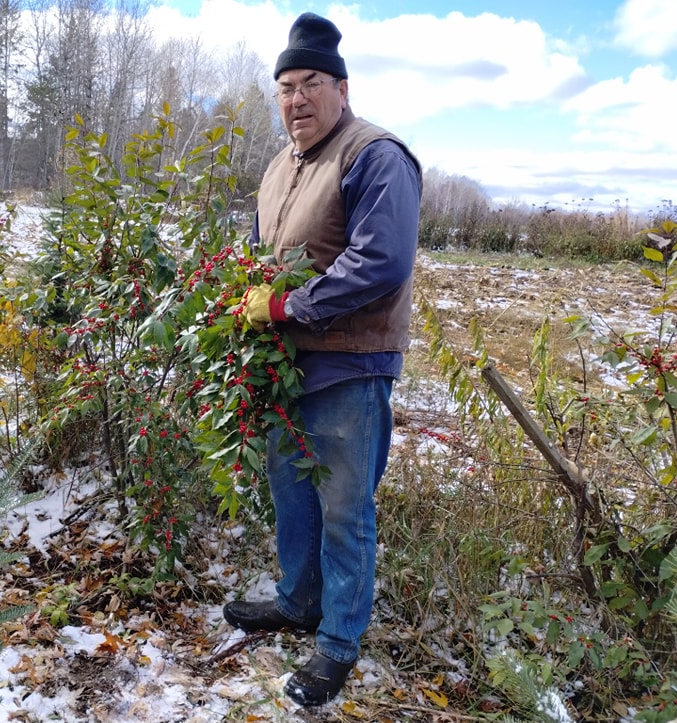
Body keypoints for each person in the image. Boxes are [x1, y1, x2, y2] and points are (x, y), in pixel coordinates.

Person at [224, 11, 422, 707]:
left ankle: (337, 641)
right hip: (286, 368)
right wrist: (243, 304)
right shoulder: (280, 167)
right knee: (292, 496)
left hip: (350, 366)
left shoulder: (375, 155)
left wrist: (285, 307)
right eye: (284, 86)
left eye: (311, 82)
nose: (296, 98)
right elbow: (260, 258)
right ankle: (296, 600)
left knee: (345, 510)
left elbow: (381, 262)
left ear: (342, 87)